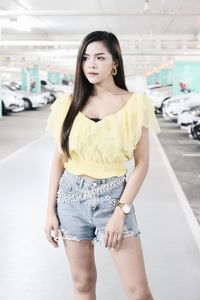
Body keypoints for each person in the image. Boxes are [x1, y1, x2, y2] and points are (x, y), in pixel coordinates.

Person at [44, 30, 160, 300]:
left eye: (99, 57)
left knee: (138, 291)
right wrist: (49, 211)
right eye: (85, 58)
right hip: (70, 201)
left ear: (115, 62)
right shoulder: (68, 104)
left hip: (113, 199)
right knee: (83, 285)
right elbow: (58, 159)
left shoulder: (135, 104)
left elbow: (142, 165)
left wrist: (120, 213)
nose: (91, 65)